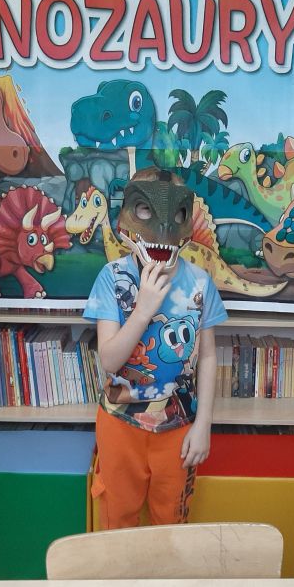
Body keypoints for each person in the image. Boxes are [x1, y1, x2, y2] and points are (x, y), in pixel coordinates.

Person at [83, 166, 227, 529]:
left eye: (176, 214)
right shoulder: (112, 278)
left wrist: (204, 425)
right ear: (129, 212)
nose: (162, 224)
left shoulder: (200, 283)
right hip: (120, 426)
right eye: (145, 209)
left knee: (171, 521)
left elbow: (208, 356)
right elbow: (109, 360)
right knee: (118, 518)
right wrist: (144, 308)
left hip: (179, 427)